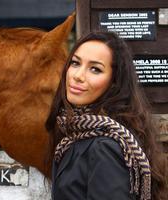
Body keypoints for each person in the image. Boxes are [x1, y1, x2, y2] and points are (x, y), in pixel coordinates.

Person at [45, 31, 167, 200]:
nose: (78, 76)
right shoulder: (76, 135)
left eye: (95, 69)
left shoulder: (104, 147)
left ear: (114, 82)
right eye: (75, 63)